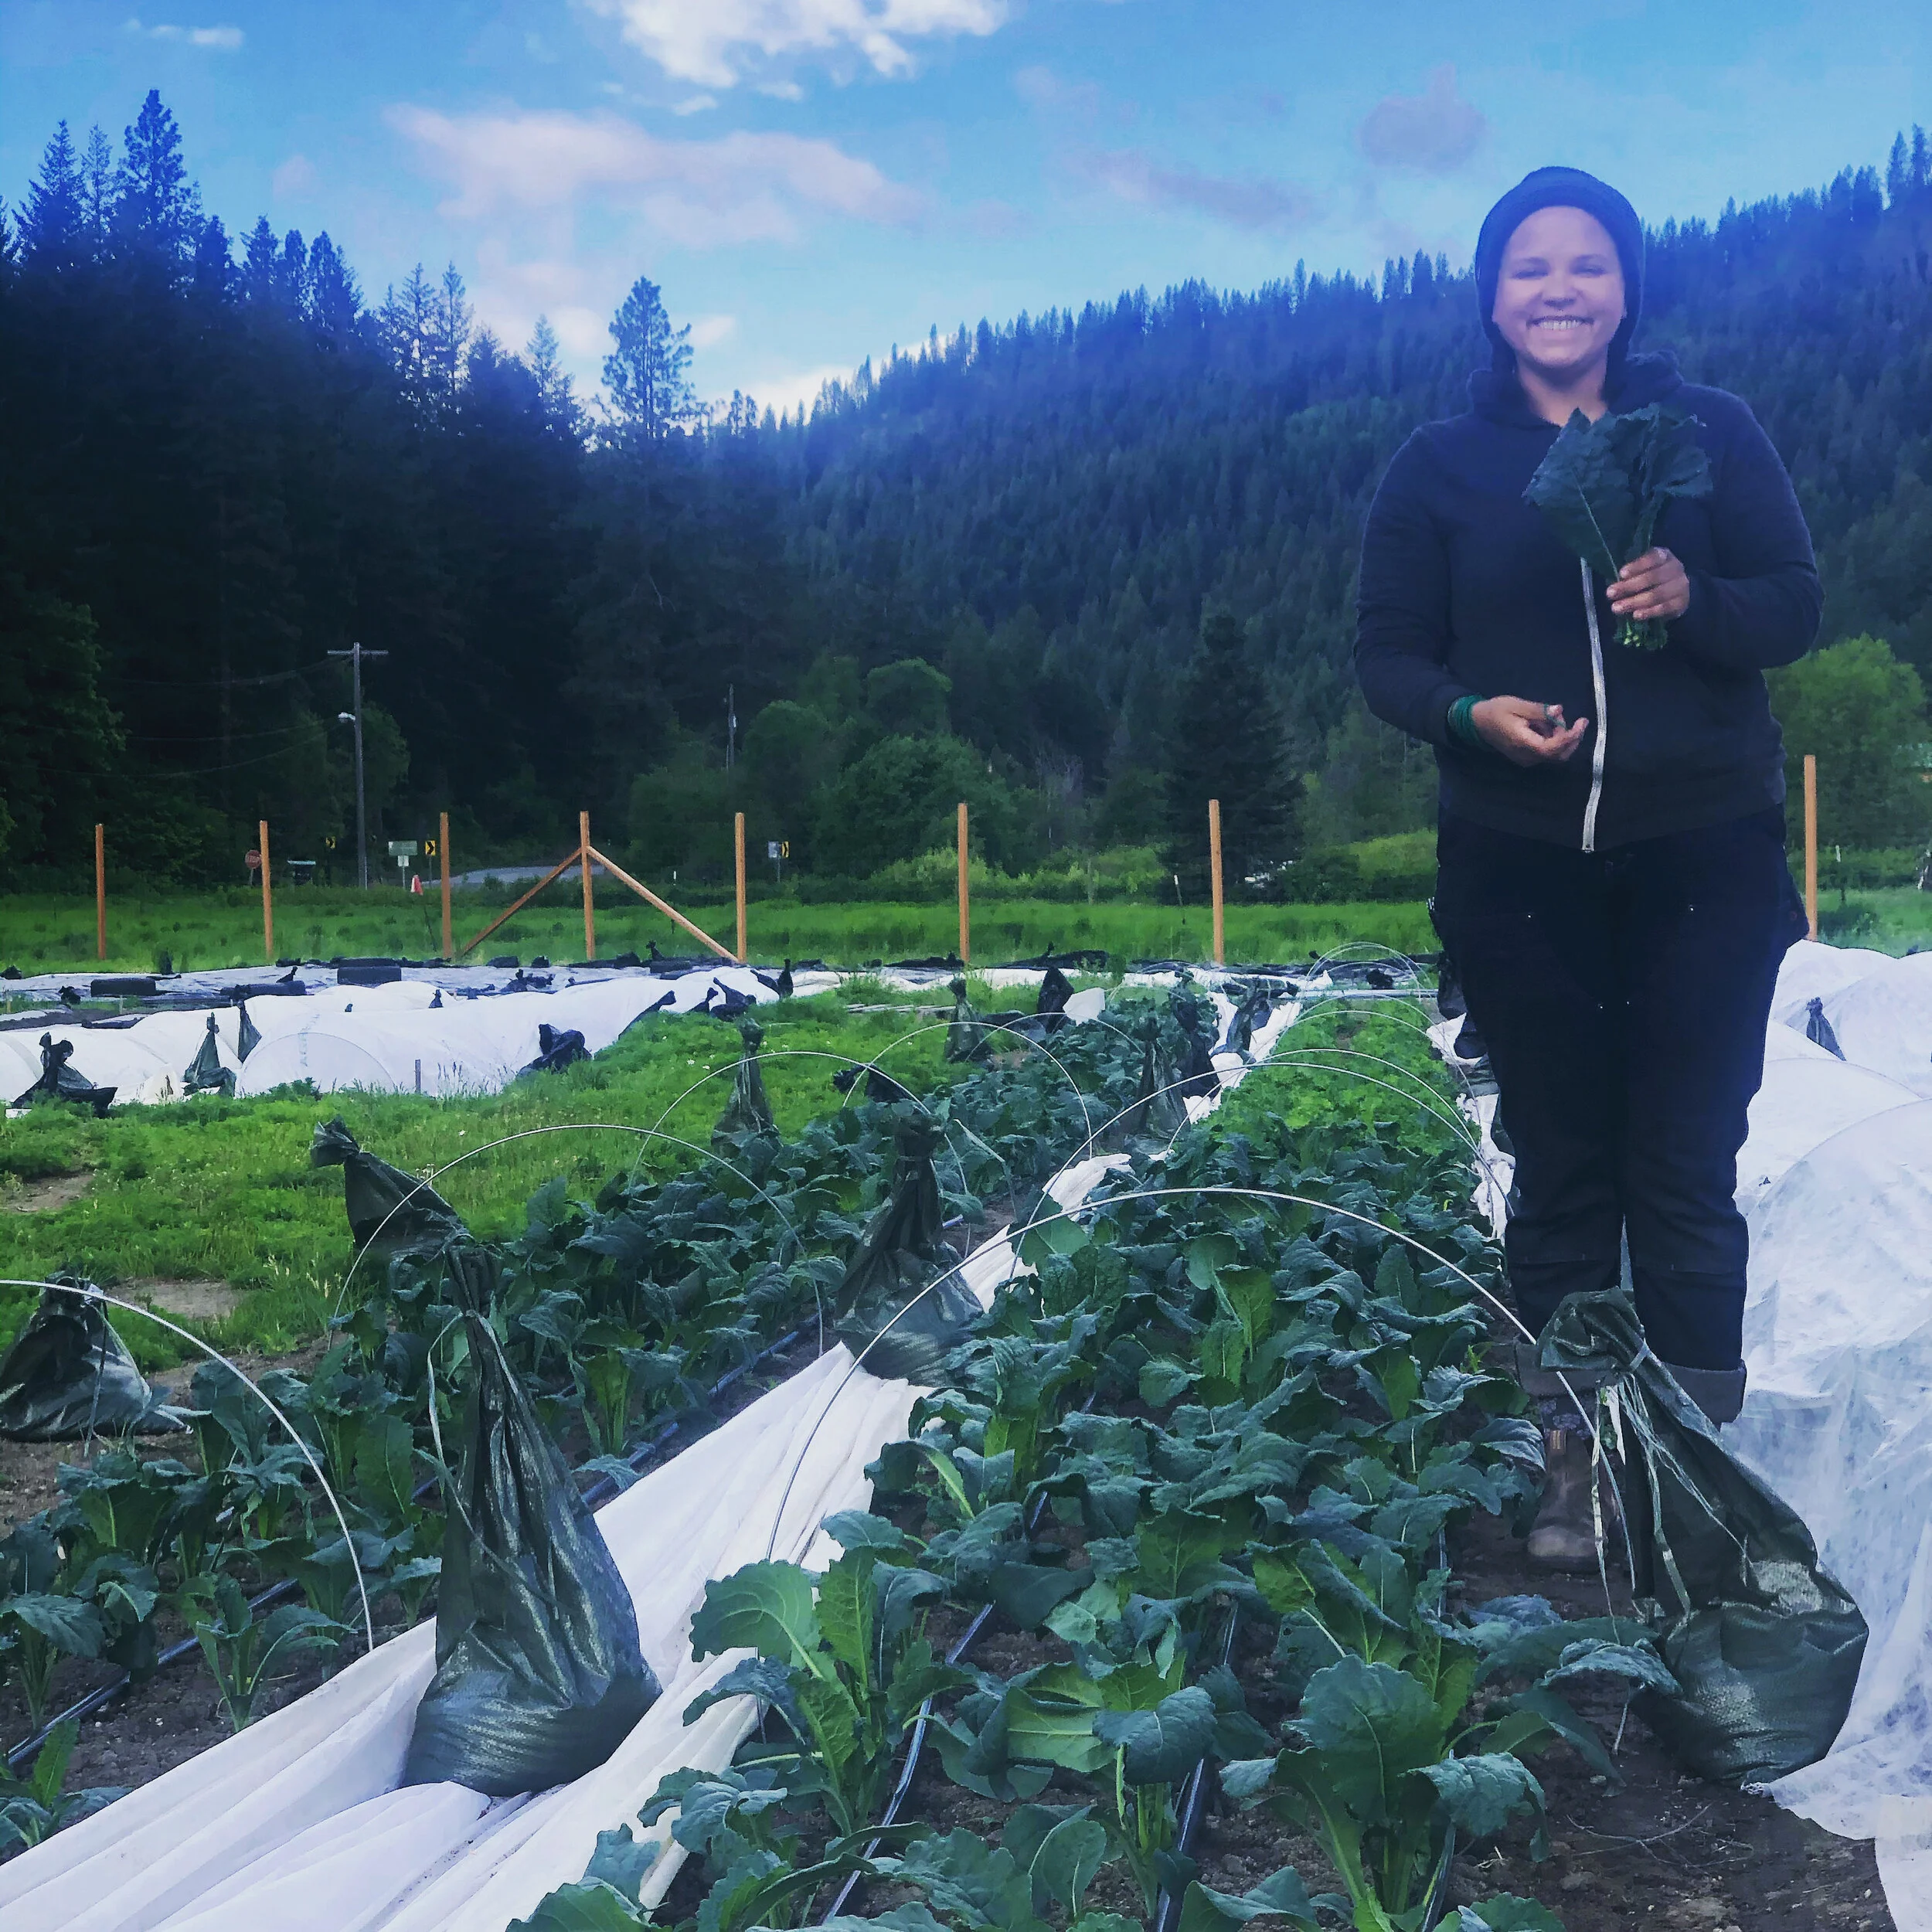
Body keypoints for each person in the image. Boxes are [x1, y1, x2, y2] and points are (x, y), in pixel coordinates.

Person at [1354, 167, 1819, 1568]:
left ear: (1627, 288)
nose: (1559, 289)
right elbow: (1387, 656)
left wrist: (1697, 598)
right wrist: (1468, 717)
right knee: (1563, 1167)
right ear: (1492, 298)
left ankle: (1684, 1458)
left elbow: (1793, 605)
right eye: (1529, 268)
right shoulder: (1437, 465)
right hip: (1518, 868)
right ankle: (1572, 1457)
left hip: (1704, 857)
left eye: (1588, 264)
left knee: (1685, 1164)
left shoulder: (1711, 434)